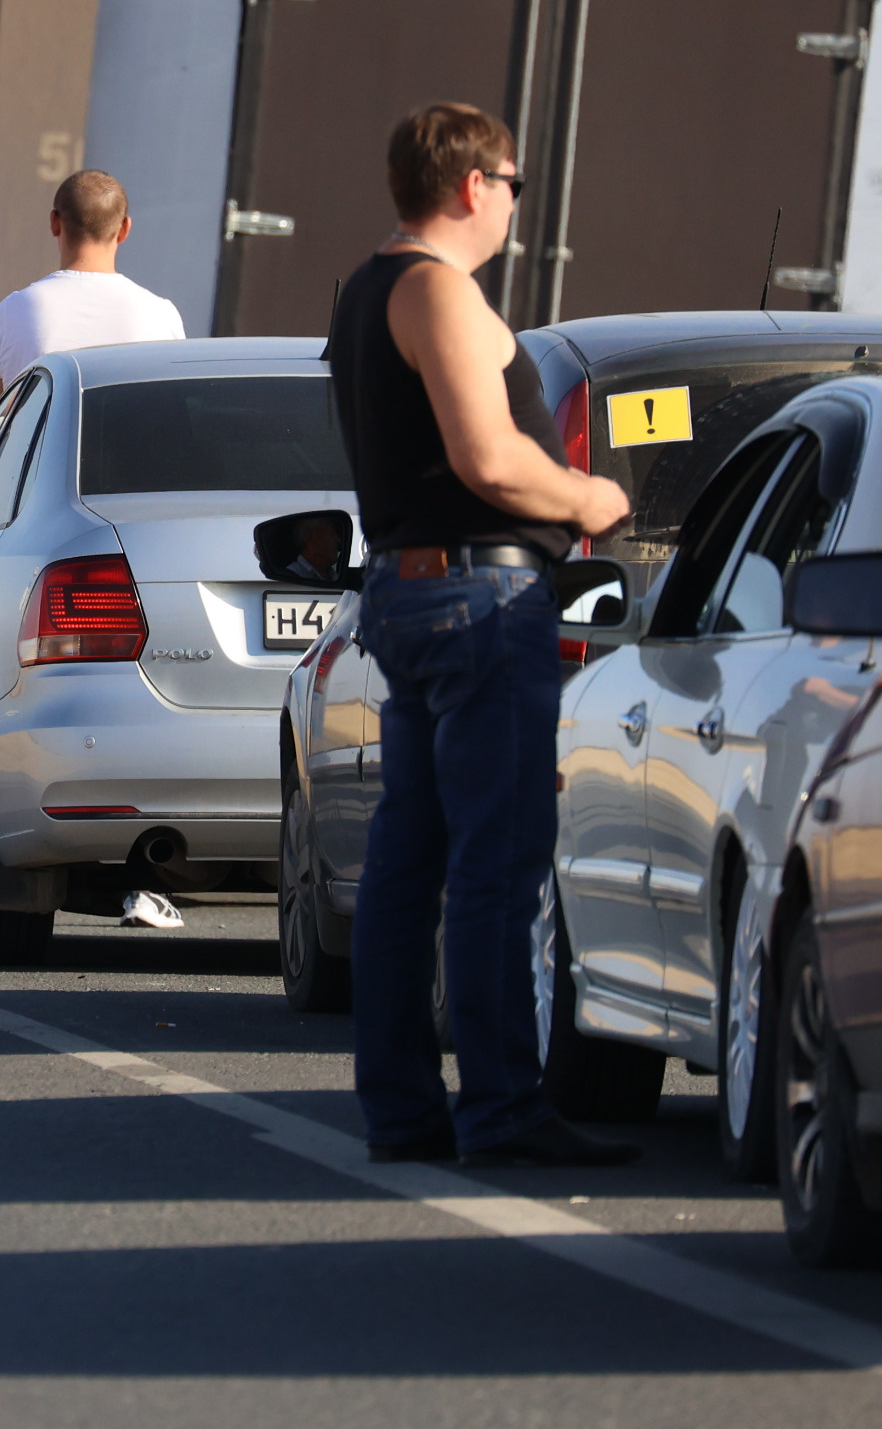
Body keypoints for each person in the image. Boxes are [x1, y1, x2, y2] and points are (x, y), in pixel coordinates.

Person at [325, 103, 638, 1168]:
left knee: (410, 856)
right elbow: (489, 461)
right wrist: (591, 494)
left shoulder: (367, 289)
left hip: (412, 593)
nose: (514, 199)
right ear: (472, 185)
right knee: (499, 857)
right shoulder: (435, 289)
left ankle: (404, 1108)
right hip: (476, 592)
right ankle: (503, 1105)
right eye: (512, 182)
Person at [0, 169, 184, 395]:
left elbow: (4, 413)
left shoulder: (13, 310)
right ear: (124, 229)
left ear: (55, 222)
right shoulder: (161, 314)